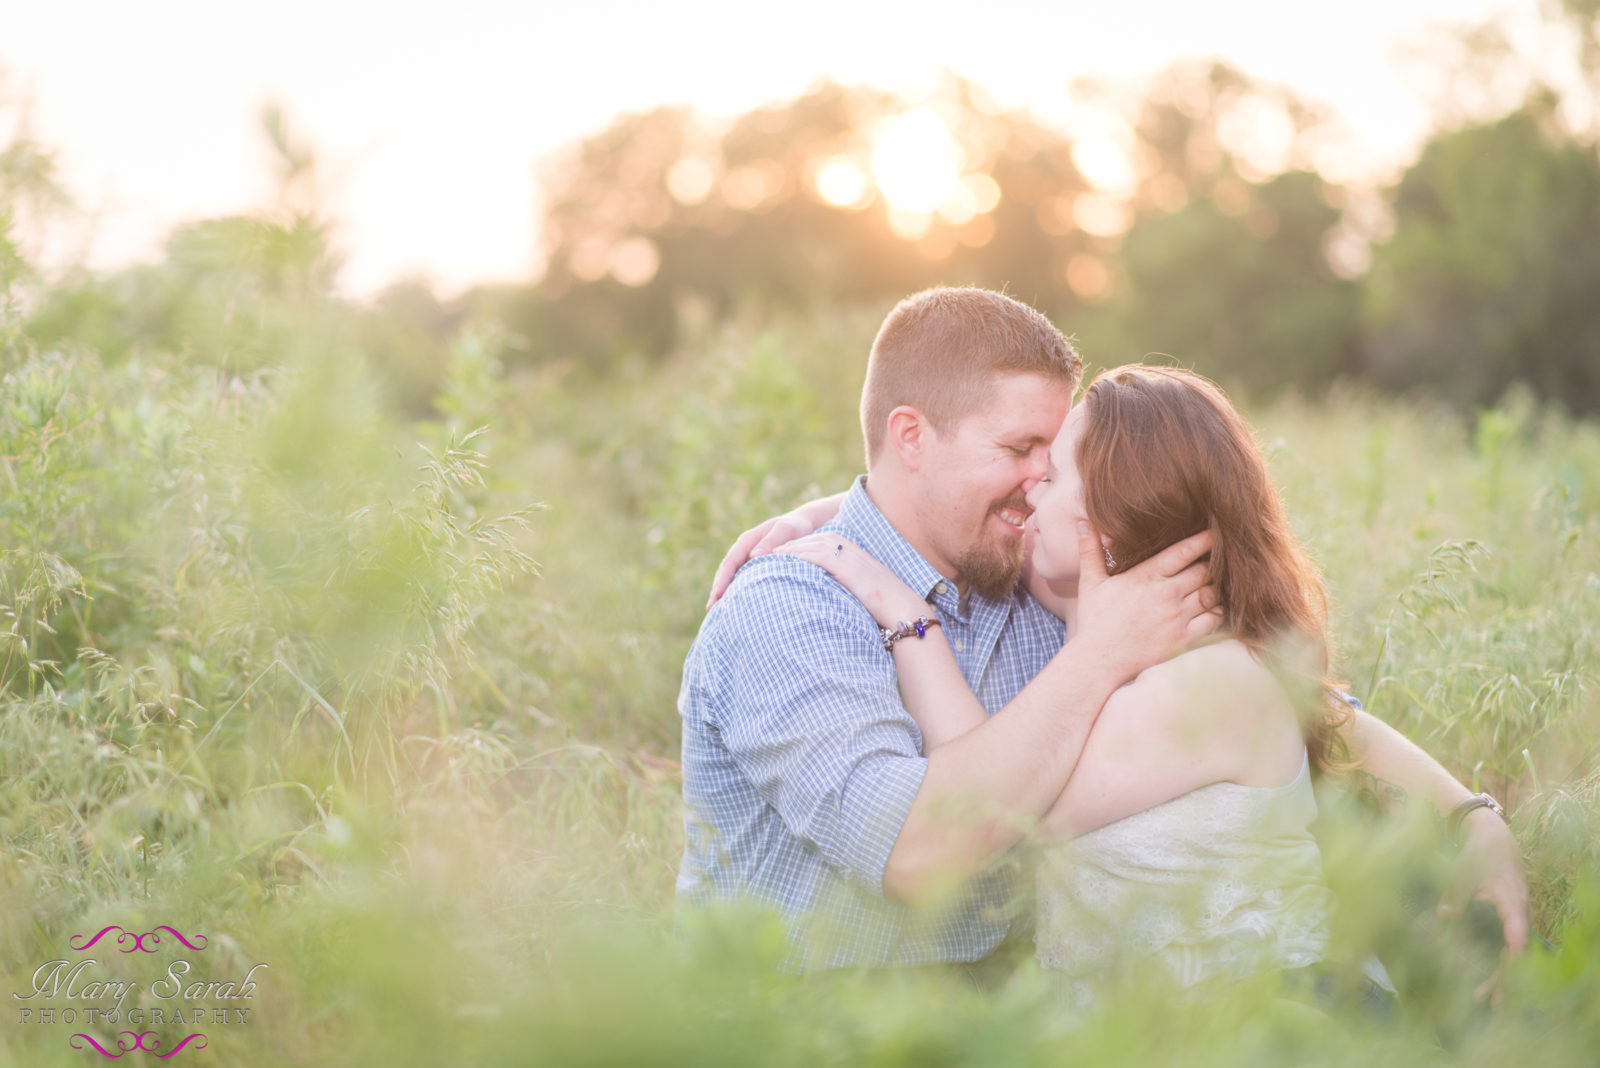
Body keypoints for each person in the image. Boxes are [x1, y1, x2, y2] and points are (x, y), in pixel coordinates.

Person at [678, 287, 1527, 977]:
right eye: (1020, 449)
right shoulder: (790, 609)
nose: (1041, 483)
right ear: (911, 437)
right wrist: (1098, 654)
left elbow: (1275, 694)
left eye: (1054, 458)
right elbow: (920, 856)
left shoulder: (1040, 582)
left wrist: (1469, 814)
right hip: (808, 1025)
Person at [770, 364, 1392, 1005]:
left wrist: (908, 618)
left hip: (1278, 1015)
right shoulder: (1082, 603)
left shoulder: (1214, 679)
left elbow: (990, 808)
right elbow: (933, 516)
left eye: (1056, 474)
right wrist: (832, 514)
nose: (1032, 487)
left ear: (1112, 523)